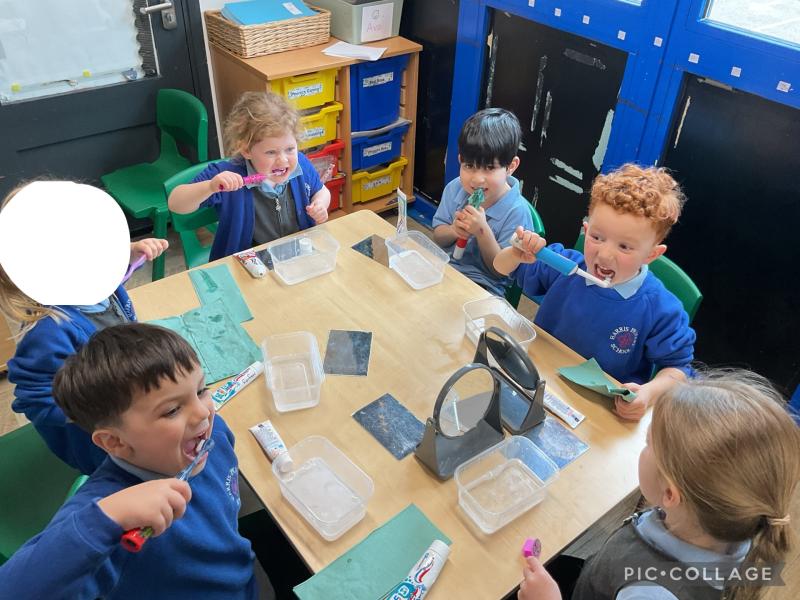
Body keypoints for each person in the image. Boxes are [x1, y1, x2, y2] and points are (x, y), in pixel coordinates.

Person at [0, 323, 268, 599]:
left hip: (243, 581)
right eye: (172, 410)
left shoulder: (215, 434)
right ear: (115, 442)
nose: (203, 413)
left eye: (201, 390)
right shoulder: (115, 521)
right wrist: (107, 519)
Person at [518, 369, 800, 600]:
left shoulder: (650, 593)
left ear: (670, 494)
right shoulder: (734, 523)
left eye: (648, 443)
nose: (644, 448)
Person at [494, 164, 695, 420]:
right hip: (536, 382)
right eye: (597, 238)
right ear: (586, 230)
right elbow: (501, 268)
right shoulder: (565, 265)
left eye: (624, 247)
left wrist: (649, 393)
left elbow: (678, 370)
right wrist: (516, 253)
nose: (605, 254)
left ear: (651, 255)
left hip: (603, 412)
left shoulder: (661, 308)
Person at [1, 182, 167, 474]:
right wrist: (103, 411)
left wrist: (129, 254)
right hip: (96, 438)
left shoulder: (96, 281)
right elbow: (35, 400)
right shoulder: (49, 332)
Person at [168, 91, 330, 261]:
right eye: (271, 152)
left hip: (298, 257)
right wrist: (209, 187)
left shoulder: (301, 165)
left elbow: (321, 191)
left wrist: (320, 204)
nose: (283, 160)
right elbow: (175, 203)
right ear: (246, 150)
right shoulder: (225, 174)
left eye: (290, 149)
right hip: (246, 264)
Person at [432, 107, 534, 296]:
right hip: (443, 270)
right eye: (469, 166)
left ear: (511, 166)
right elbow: (438, 237)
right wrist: (454, 230)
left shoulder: (517, 212)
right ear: (460, 160)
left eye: (489, 168)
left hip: (483, 288)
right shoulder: (455, 188)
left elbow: (499, 272)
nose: (477, 179)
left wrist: (482, 231)